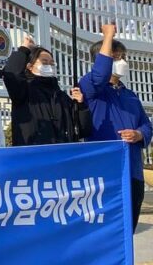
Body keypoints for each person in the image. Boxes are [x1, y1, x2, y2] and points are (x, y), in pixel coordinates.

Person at [78, 23, 151, 231]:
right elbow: (100, 75)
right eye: (116, 57)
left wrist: (139, 134)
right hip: (105, 171)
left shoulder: (130, 95)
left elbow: (147, 125)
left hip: (133, 171)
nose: (123, 62)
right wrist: (108, 36)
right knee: (107, 229)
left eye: (122, 57)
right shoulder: (91, 88)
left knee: (129, 228)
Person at [1, 34, 91, 145]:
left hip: (63, 156)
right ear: (29, 66)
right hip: (35, 158)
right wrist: (24, 50)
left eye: (52, 63)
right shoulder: (24, 91)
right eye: (44, 62)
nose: (49, 66)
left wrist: (81, 107)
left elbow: (83, 130)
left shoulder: (61, 97)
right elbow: (11, 74)